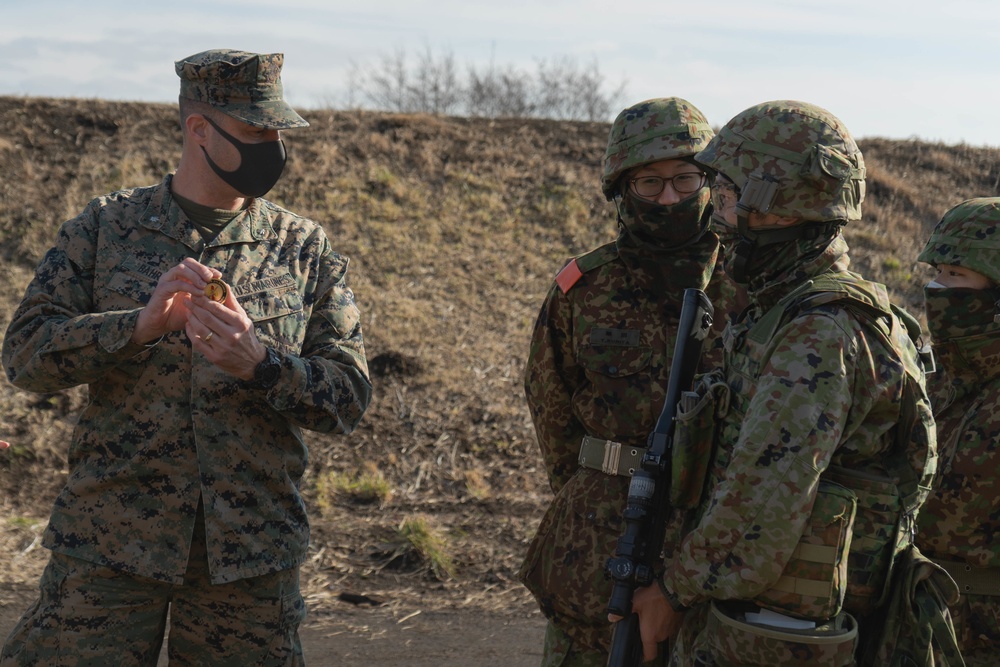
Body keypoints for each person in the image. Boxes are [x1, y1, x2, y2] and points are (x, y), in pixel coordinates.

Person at [0, 49, 371, 666]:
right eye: (256, 131)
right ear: (199, 129)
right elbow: (24, 358)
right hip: (110, 545)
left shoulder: (302, 248)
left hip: (249, 556)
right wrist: (135, 327)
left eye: (277, 132)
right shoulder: (105, 227)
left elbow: (349, 398)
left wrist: (263, 363)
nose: (272, 147)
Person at [621, 101, 938, 665]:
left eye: (729, 197)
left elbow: (762, 508)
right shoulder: (791, 311)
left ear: (776, 207)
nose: (717, 215)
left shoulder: (815, 332)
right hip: (773, 618)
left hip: (776, 630)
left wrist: (675, 591)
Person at [517, 97, 745, 666]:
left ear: (710, 182)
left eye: (685, 179)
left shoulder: (750, 285)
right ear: (622, 188)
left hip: (715, 540)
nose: (670, 197)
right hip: (602, 538)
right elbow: (552, 410)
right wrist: (601, 492)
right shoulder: (584, 288)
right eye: (650, 183)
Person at [916, 198, 1000, 666]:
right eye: (938, 272)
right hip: (923, 625)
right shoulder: (937, 379)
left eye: (957, 276)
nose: (938, 289)